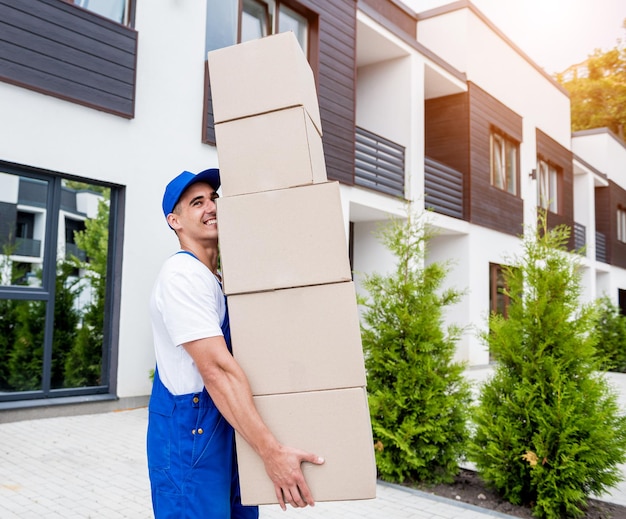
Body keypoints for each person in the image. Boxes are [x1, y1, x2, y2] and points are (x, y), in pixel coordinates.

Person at [147, 168, 324, 518]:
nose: (211, 207)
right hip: (190, 437)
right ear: (175, 221)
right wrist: (271, 453)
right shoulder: (183, 278)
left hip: (227, 428)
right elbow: (217, 372)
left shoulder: (218, 280)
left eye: (214, 198)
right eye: (197, 203)